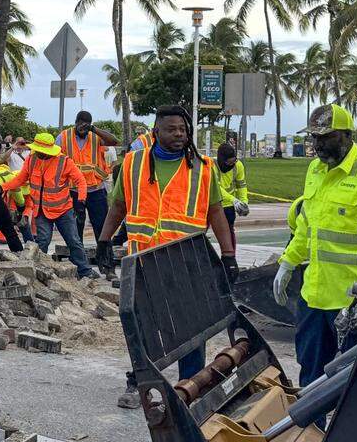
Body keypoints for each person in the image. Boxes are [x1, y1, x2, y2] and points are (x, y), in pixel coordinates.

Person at [95, 105, 236, 409]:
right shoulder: (133, 163)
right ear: (156, 131)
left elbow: (216, 213)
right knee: (142, 327)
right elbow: (118, 205)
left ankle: (191, 386)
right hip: (143, 262)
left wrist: (228, 254)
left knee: (192, 327)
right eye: (172, 129)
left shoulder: (203, 166)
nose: (179, 135)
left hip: (186, 262)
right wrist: (104, 241)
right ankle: (139, 384)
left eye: (184, 130)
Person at [273, 104, 357, 389]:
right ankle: (312, 433)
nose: (318, 144)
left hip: (354, 301)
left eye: (326, 137)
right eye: (314, 137)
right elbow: (308, 226)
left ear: (346, 136)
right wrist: (288, 262)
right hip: (315, 297)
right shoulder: (315, 170)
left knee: (353, 384)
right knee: (310, 377)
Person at [0, 133, 97, 279]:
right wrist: (2, 187)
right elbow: (20, 179)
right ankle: (37, 272)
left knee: (73, 241)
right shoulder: (31, 159)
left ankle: (85, 271)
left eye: (41, 152)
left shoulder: (64, 162)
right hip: (41, 210)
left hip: (63, 210)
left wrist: (81, 198)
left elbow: (80, 181)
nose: (39, 154)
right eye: (37, 151)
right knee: (42, 241)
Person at [57, 111, 119, 250]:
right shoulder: (63, 137)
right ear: (76, 122)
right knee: (75, 229)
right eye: (80, 124)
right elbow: (56, 160)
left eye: (86, 125)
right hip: (73, 190)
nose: (83, 128)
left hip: (96, 189)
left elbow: (114, 141)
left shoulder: (96, 136)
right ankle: (80, 265)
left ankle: (106, 264)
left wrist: (93, 129)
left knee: (102, 227)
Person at [215, 142, 250, 252]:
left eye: (233, 162)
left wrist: (243, 202)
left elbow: (241, 185)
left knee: (229, 233)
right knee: (200, 232)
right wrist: (234, 200)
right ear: (222, 160)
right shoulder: (211, 166)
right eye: (229, 163)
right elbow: (216, 188)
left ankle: (230, 258)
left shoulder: (238, 165)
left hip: (228, 206)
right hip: (211, 204)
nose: (231, 165)